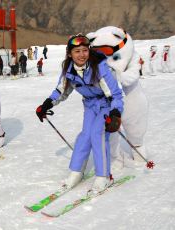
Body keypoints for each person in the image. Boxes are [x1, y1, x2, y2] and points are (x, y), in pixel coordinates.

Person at [36, 34, 123, 194]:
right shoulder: (69, 70)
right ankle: (76, 172)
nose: (82, 54)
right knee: (85, 135)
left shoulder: (100, 67)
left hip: (106, 104)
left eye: (85, 50)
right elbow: (60, 90)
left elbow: (115, 94)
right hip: (90, 104)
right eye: (77, 51)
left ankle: (104, 176)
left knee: (98, 134)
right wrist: (47, 103)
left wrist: (116, 112)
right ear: (70, 54)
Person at [87, 26, 149, 169]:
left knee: (135, 129)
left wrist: (113, 75)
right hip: (110, 101)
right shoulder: (97, 64)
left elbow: (130, 77)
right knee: (111, 130)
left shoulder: (133, 57)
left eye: (108, 51)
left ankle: (139, 153)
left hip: (131, 99)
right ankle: (115, 159)